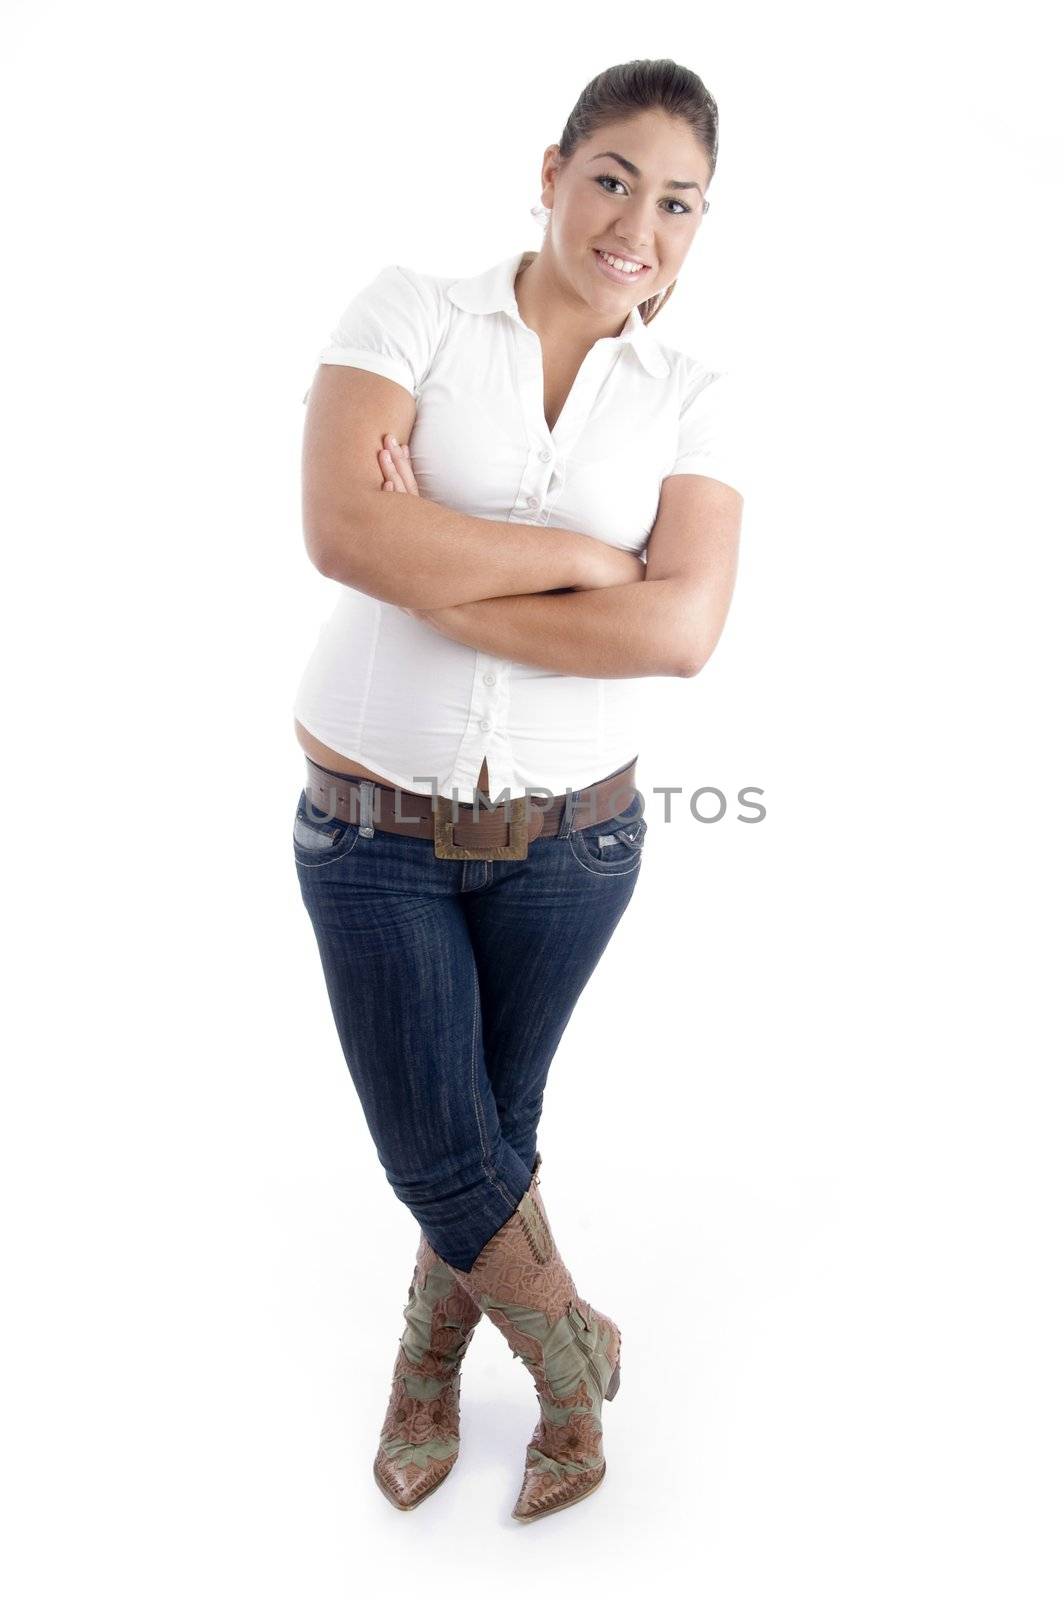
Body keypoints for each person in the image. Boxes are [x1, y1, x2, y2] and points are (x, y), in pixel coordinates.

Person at [291, 57, 744, 1522]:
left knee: (492, 1127)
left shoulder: (692, 396)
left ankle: (427, 1364)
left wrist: (458, 575)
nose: (639, 224)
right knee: (437, 1139)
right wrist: (591, 565)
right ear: (550, 172)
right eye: (613, 177)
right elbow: (347, 534)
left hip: (575, 843)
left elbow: (679, 632)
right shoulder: (411, 310)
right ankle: (568, 1366)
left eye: (680, 201)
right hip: (371, 832)